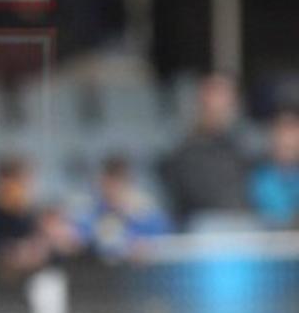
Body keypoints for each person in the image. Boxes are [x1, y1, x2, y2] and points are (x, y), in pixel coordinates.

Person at [161, 72, 252, 226]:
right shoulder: (184, 153)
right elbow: (186, 201)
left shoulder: (242, 150)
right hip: (201, 229)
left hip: (242, 227)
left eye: (226, 105)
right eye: (212, 105)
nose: (219, 111)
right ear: (201, 105)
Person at [74, 155, 170, 261]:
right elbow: (82, 242)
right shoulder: (91, 215)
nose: (112, 190)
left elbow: (165, 244)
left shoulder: (148, 216)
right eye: (107, 184)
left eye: (117, 183)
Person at [250, 110, 299, 228]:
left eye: (292, 134)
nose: (287, 141)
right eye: (282, 134)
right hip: (270, 242)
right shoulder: (259, 178)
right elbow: (273, 217)